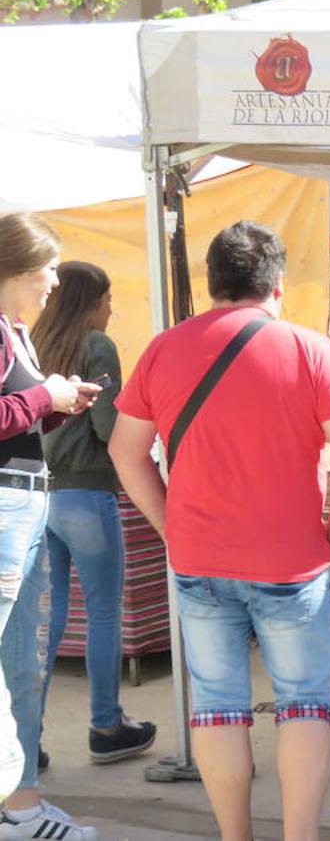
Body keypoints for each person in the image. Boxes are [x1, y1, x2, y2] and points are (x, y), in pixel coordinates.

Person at [109, 221, 330, 841]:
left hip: (199, 558)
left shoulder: (164, 348)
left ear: (212, 284)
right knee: (304, 704)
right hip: (292, 561)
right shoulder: (308, 350)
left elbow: (126, 452)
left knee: (218, 709)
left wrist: (170, 523)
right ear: (278, 283)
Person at [0, 213, 102, 841]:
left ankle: (22, 805)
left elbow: (17, 423)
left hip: (27, 502)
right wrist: (48, 398)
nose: (56, 281)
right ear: (15, 267)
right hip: (8, 507)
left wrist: (59, 408)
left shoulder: (16, 330)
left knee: (26, 659)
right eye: (49, 267)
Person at [31, 262, 157, 765]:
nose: (112, 309)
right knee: (104, 611)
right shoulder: (96, 345)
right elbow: (110, 428)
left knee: (47, 620)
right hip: (86, 491)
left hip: (42, 495)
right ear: (90, 302)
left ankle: (26, 739)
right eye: (108, 299)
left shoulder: (33, 340)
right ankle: (106, 725)